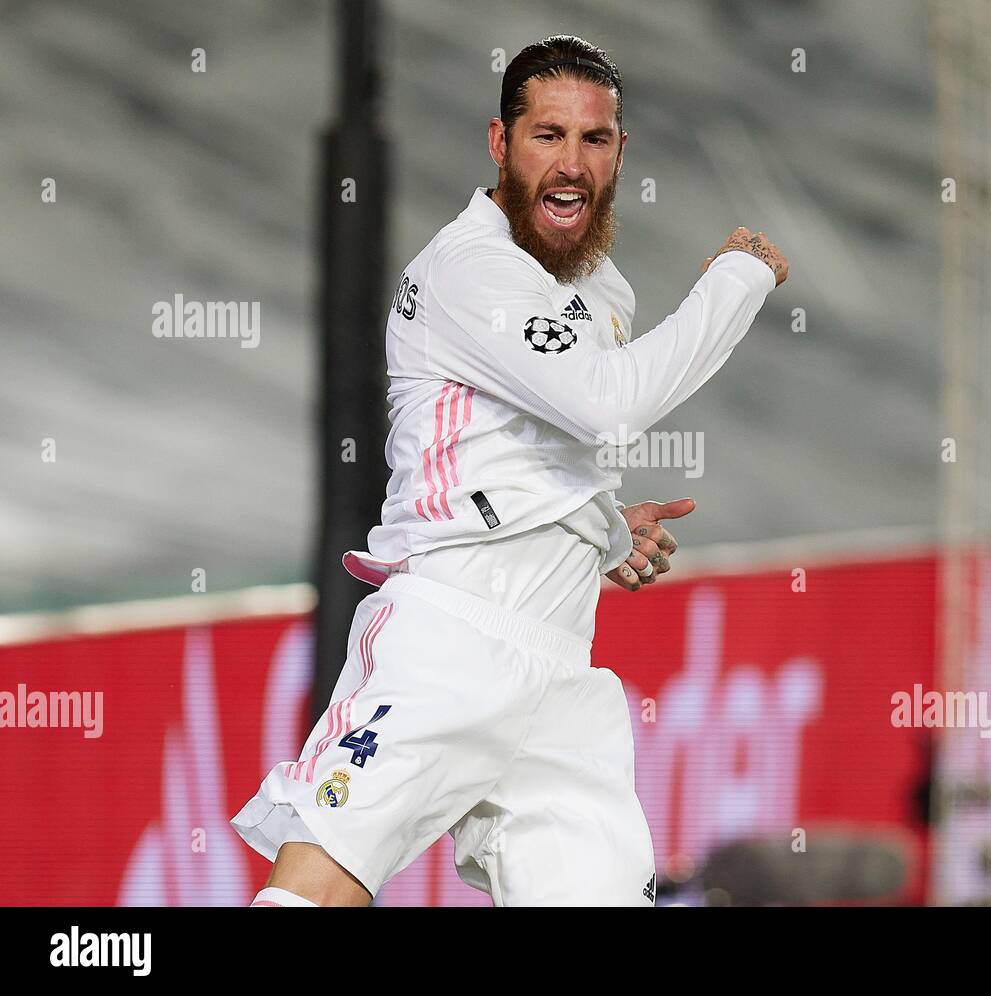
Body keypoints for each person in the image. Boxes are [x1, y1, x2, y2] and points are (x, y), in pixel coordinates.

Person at [231, 33, 788, 907]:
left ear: (619, 153)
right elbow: (608, 406)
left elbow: (534, 446)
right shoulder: (472, 269)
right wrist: (735, 280)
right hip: (451, 638)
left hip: (560, 670)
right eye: (546, 136)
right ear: (500, 143)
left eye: (593, 139)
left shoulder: (599, 289)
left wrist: (599, 528)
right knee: (320, 887)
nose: (570, 164)